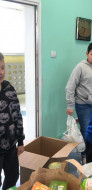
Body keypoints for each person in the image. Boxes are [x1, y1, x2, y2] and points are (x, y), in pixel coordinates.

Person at [65, 42, 92, 162]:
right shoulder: (80, 67)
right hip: (83, 104)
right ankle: (85, 156)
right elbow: (70, 87)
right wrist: (70, 105)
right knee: (86, 130)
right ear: (87, 54)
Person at [0, 52, 25, 189]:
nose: (1, 72)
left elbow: (18, 117)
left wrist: (20, 141)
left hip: (10, 147)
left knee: (13, 176)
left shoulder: (9, 89)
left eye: (2, 68)